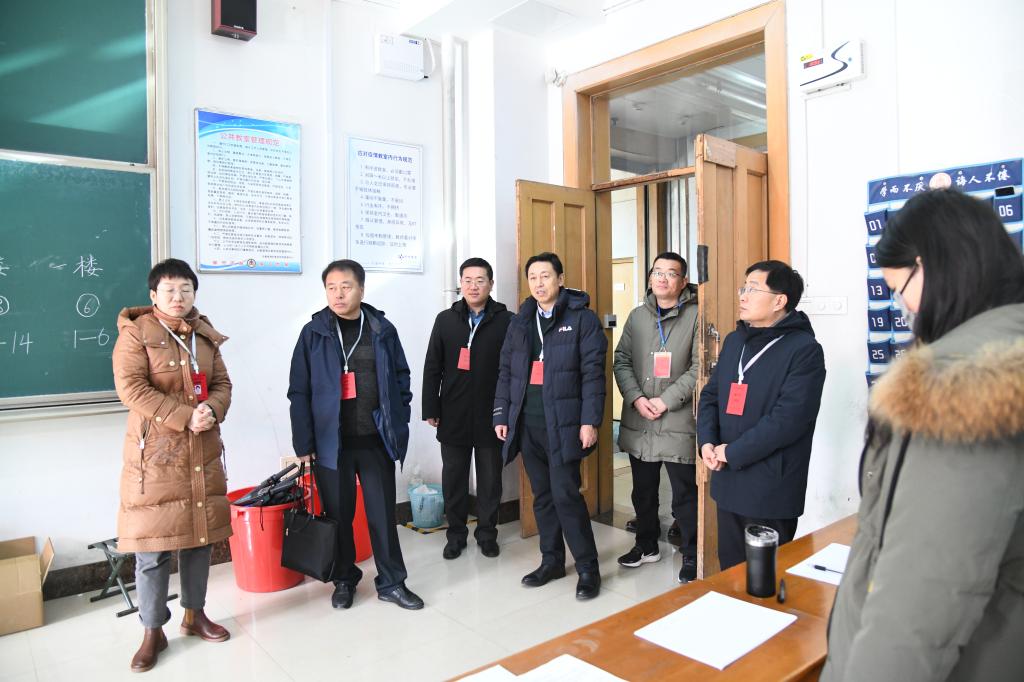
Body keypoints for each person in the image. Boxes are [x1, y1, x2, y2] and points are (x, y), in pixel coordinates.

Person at [822, 189, 1024, 681]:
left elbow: (920, 602)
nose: (904, 309)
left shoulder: (962, 386)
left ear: (932, 266)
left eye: (900, 288)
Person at [112, 258, 232, 673]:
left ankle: (194, 614)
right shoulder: (136, 333)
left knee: (200, 539)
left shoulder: (204, 334)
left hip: (201, 452)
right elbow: (131, 388)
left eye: (185, 289)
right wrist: (184, 416)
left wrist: (212, 409)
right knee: (153, 548)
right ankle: (152, 631)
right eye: (169, 290)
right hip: (156, 457)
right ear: (153, 295)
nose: (178, 297)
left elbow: (222, 384)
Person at [288, 259, 422, 611]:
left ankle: (392, 582)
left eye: (345, 287)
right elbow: (299, 391)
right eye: (331, 288)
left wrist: (399, 417)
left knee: (382, 516)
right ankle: (344, 580)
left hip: (375, 439)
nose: (338, 294)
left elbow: (402, 377)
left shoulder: (381, 329)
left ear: (361, 289)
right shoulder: (313, 333)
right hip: (332, 445)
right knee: (339, 516)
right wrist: (304, 443)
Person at [697, 260, 826, 570]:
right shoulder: (735, 341)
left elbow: (788, 420)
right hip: (728, 477)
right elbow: (711, 395)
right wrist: (707, 442)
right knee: (731, 571)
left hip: (770, 485)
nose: (743, 296)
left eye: (753, 289)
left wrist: (733, 451)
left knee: (764, 577)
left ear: (779, 301)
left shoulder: (804, 350)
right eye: (743, 288)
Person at [493, 252, 607, 600]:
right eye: (533, 277)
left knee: (566, 496)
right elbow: (506, 371)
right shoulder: (521, 321)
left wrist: (589, 421)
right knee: (542, 497)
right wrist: (501, 415)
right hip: (528, 424)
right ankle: (552, 561)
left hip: (564, 425)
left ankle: (587, 568)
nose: (539, 283)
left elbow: (593, 374)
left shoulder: (582, 319)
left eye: (545, 276)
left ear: (560, 279)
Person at [613, 252, 700, 583]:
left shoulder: (696, 315)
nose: (663, 278)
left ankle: (692, 553)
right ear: (650, 278)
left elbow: (700, 367)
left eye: (671, 273)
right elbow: (621, 360)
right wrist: (636, 398)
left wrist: (665, 401)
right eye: (657, 272)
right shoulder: (638, 316)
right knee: (643, 491)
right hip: (641, 420)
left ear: (683, 281)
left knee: (685, 494)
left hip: (678, 419)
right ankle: (646, 544)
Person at [422, 257, 514, 560]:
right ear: (460, 284)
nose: (473, 286)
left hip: (492, 414)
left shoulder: (507, 321)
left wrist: (509, 411)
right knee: (454, 479)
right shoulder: (445, 320)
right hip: (453, 413)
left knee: (490, 480)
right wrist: (430, 407)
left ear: (491, 284)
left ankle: (487, 534)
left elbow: (514, 370)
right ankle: (456, 535)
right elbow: (432, 366)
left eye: (480, 280)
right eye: (468, 280)